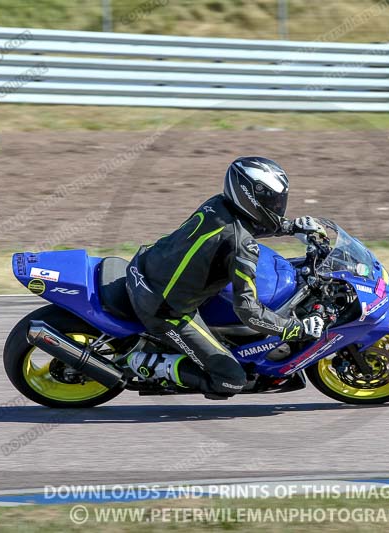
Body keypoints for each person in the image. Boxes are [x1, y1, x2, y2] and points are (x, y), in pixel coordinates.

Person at [124, 156, 325, 399]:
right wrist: (293, 329)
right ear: (251, 197)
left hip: (147, 268)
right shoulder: (242, 246)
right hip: (164, 309)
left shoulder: (218, 204)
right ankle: (142, 362)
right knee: (231, 379)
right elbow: (248, 311)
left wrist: (290, 227)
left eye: (279, 199)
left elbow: (243, 227)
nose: (277, 205)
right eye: (271, 200)